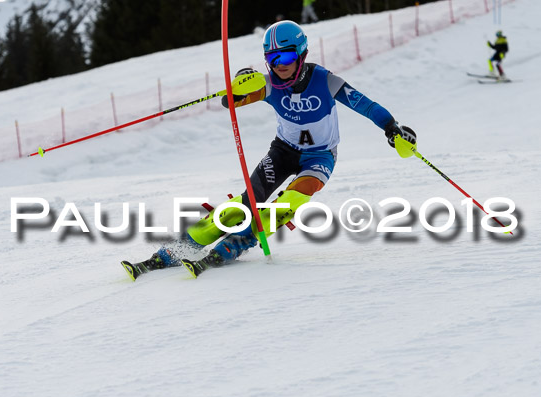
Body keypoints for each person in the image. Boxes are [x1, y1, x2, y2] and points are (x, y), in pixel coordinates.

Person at [121, 20, 417, 280]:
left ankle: (233, 246)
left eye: (287, 55)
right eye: (273, 58)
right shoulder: (270, 84)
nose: (280, 64)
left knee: (285, 205)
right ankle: (179, 248)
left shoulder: (325, 80)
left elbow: (365, 105)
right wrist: (238, 88)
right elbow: (232, 101)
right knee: (246, 204)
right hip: (283, 152)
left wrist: (391, 127)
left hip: (320, 157)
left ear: (302, 54)